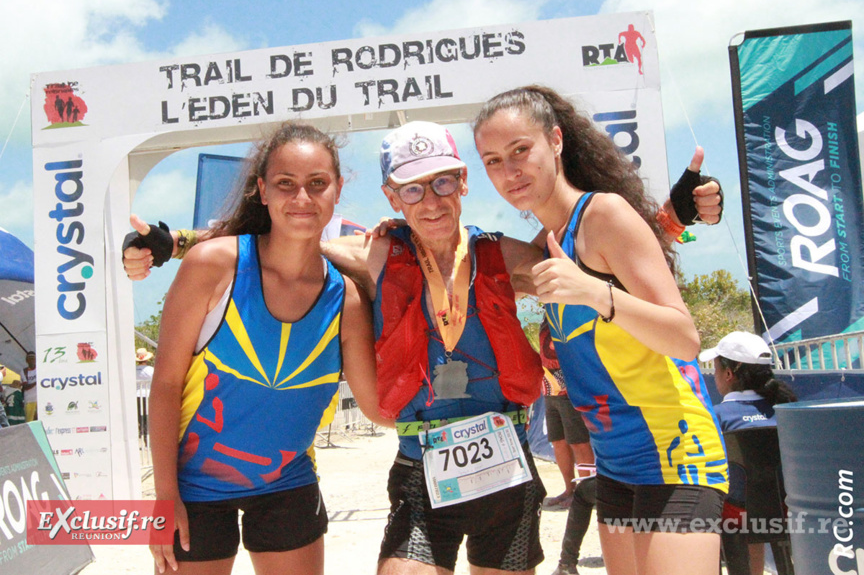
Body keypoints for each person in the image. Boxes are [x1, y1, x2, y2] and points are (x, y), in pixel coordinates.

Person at [123, 121, 722, 575]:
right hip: (421, 465)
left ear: (463, 182)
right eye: (412, 190)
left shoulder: (502, 255)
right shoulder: (374, 254)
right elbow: (282, 236)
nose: (430, 201)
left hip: (507, 465)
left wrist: (674, 218)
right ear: (391, 197)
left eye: (442, 182)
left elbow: (596, 258)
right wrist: (170, 241)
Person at [473, 85, 728, 575]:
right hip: (615, 462)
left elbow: (684, 338)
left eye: (521, 150)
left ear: (556, 141)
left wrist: (595, 293)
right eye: (493, 160)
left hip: (676, 453)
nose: (510, 171)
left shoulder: (604, 214)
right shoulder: (547, 243)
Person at [147, 121, 386, 575]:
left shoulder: (347, 300)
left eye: (317, 184)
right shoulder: (213, 265)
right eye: (285, 184)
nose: (302, 198)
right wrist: (164, 496)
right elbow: (166, 384)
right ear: (261, 189)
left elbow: (377, 408)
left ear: (338, 189)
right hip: (194, 488)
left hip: (287, 483)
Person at [699, 331, 797, 575]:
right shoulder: (789, 411)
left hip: (737, 519)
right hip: (787, 512)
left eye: (716, 367)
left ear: (729, 374)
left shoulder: (715, 416)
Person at [539, 318, 594, 512]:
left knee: (579, 442)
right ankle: (569, 490)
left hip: (570, 392)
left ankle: (586, 494)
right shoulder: (545, 321)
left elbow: (579, 353)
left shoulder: (568, 317)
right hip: (549, 392)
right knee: (558, 442)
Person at [136, 347, 155, 443]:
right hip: (147, 395)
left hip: (137, 395)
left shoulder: (134, 370)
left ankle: (142, 433)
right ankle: (147, 437)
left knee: (140, 416)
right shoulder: (151, 370)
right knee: (148, 416)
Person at [21, 351, 37, 422]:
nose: (31, 360)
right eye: (29, 359)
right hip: (29, 400)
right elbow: (26, 387)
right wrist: (37, 382)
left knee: (40, 419)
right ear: (26, 360)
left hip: (40, 399)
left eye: (33, 358)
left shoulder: (40, 369)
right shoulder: (24, 371)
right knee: (30, 421)